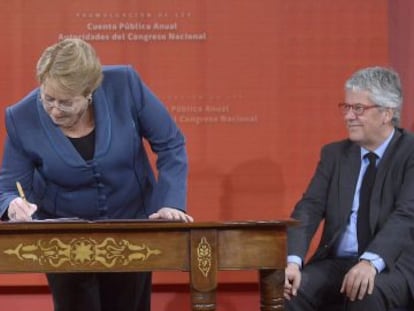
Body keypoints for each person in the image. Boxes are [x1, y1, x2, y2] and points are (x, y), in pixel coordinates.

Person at [0, 38, 193, 311]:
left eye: (66, 103)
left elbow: (171, 144)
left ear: (89, 90)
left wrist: (170, 202)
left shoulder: (125, 85)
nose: (55, 110)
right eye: (48, 99)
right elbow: (9, 187)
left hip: (131, 227)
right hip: (63, 240)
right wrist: (12, 205)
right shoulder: (21, 117)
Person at [284, 66, 414, 311]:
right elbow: (308, 208)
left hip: (392, 263)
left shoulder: (409, 153)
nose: (348, 116)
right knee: (289, 291)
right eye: (346, 107)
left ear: (386, 113)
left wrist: (370, 262)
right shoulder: (334, 155)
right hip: (337, 262)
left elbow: (407, 215)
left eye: (358, 109)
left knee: (364, 292)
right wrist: (293, 262)